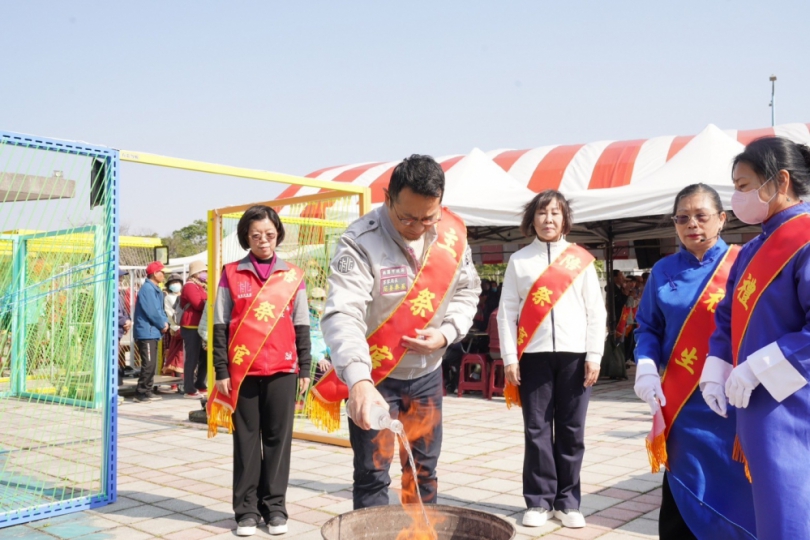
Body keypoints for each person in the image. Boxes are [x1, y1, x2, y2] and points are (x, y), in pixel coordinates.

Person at [313, 154, 481, 511]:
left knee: (423, 471)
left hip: (427, 375)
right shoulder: (360, 241)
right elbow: (343, 312)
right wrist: (358, 382)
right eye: (407, 218)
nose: (418, 227)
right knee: (372, 473)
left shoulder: (452, 235)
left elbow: (468, 290)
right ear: (387, 197)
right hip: (375, 378)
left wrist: (447, 333)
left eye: (428, 217)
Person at [701, 137, 810, 540]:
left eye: (744, 185)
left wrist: (758, 367)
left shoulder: (805, 238)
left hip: (794, 405)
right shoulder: (751, 249)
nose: (736, 197)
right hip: (754, 403)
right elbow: (727, 314)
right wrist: (717, 366)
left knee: (791, 511)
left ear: (780, 182)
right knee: (768, 512)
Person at [633, 184, 755, 540]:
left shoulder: (743, 262)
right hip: (682, 405)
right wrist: (644, 367)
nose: (692, 224)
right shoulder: (662, 270)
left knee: (736, 492)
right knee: (683, 490)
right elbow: (648, 327)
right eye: (682, 218)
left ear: (722, 219)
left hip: (733, 401)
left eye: (701, 216)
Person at [498, 190, 606, 529]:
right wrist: (509, 357)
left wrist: (594, 355)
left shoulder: (581, 259)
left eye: (555, 213)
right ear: (532, 219)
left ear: (565, 219)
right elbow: (506, 313)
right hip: (534, 356)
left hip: (575, 356)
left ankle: (568, 501)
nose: (549, 219)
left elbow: (595, 311)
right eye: (542, 213)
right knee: (537, 429)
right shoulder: (519, 261)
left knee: (573, 430)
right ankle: (539, 500)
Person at [207, 205, 311, 537]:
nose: (263, 240)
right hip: (243, 373)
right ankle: (247, 511)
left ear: (278, 233)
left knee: (279, 441)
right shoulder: (231, 274)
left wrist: (305, 366)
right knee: (247, 442)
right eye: (255, 235)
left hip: (283, 369)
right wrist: (220, 369)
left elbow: (303, 325)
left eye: (269, 234)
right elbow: (220, 325)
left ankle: (276, 508)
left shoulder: (292, 276)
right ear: (245, 238)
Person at [132, 261, 168, 402]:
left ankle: (147, 391)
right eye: (162, 272)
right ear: (154, 273)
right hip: (147, 331)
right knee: (149, 363)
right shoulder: (147, 289)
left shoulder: (154, 288)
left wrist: (164, 322)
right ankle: (141, 392)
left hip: (152, 331)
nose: (164, 275)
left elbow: (159, 310)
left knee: (151, 363)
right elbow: (152, 311)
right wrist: (162, 324)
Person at [180, 260, 208, 398]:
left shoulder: (201, 286)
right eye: (203, 271)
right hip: (191, 325)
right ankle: (189, 388)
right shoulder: (190, 286)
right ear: (196, 273)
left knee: (205, 356)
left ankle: (200, 384)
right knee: (192, 358)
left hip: (201, 326)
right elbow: (199, 305)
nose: (206, 274)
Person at [162, 273, 184, 380]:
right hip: (175, 329)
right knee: (176, 355)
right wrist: (176, 325)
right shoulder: (168, 298)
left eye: (177, 282)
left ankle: (180, 382)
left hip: (186, 328)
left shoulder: (184, 295)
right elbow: (169, 313)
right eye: (173, 283)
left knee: (182, 355)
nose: (175, 284)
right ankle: (177, 382)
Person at [117, 269, 132, 387]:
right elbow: (115, 313)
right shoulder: (110, 292)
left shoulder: (119, 293)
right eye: (119, 277)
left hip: (119, 330)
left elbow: (124, 311)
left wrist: (128, 320)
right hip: (113, 331)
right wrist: (124, 321)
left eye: (121, 277)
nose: (121, 280)